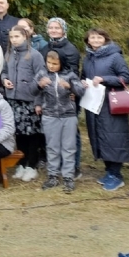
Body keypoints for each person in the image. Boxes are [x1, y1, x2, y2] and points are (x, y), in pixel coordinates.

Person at [81, 28, 129, 191]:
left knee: (114, 138)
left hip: (111, 104)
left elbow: (126, 77)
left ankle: (117, 175)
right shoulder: (87, 58)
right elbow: (83, 76)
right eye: (92, 38)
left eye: (99, 37)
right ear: (88, 40)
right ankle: (109, 171)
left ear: (105, 39)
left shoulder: (115, 56)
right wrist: (83, 82)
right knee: (99, 136)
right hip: (93, 103)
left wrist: (104, 79)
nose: (95, 40)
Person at [34, 51, 85, 193]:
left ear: (61, 63)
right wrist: (39, 85)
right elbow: (32, 90)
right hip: (49, 115)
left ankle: (68, 176)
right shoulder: (42, 74)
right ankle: (52, 176)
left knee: (69, 147)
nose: (51, 66)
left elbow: (81, 91)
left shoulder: (70, 75)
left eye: (55, 64)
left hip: (68, 115)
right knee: (52, 147)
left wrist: (70, 87)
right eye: (49, 63)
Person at [41, 16, 83, 179]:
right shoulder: (46, 47)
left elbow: (73, 73)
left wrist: (71, 89)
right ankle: (55, 167)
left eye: (57, 28)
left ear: (64, 30)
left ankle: (75, 166)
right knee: (53, 136)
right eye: (51, 27)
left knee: (72, 135)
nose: (54, 30)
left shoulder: (70, 49)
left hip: (68, 96)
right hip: (50, 99)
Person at [1, 25, 45, 182]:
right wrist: (5, 80)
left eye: (17, 37)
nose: (14, 40)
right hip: (14, 100)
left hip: (30, 101)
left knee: (31, 134)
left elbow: (41, 79)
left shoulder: (35, 55)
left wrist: (38, 102)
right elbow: (4, 71)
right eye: (12, 37)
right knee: (19, 133)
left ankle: (31, 166)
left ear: (25, 36)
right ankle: (22, 162)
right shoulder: (9, 54)